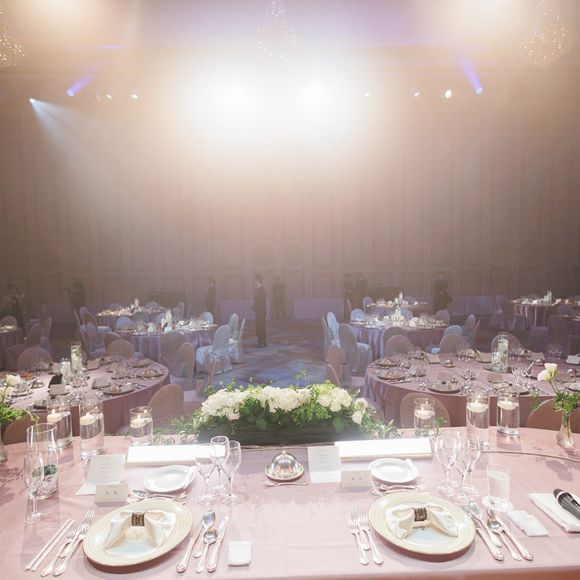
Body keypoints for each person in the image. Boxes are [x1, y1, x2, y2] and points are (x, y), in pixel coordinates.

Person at [253, 274, 267, 348]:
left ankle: (262, 343)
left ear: (258, 280)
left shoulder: (261, 289)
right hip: (259, 310)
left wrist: (256, 305)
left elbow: (261, 300)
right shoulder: (258, 289)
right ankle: (261, 342)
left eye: (255, 279)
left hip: (261, 311)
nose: (254, 281)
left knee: (261, 327)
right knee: (259, 327)